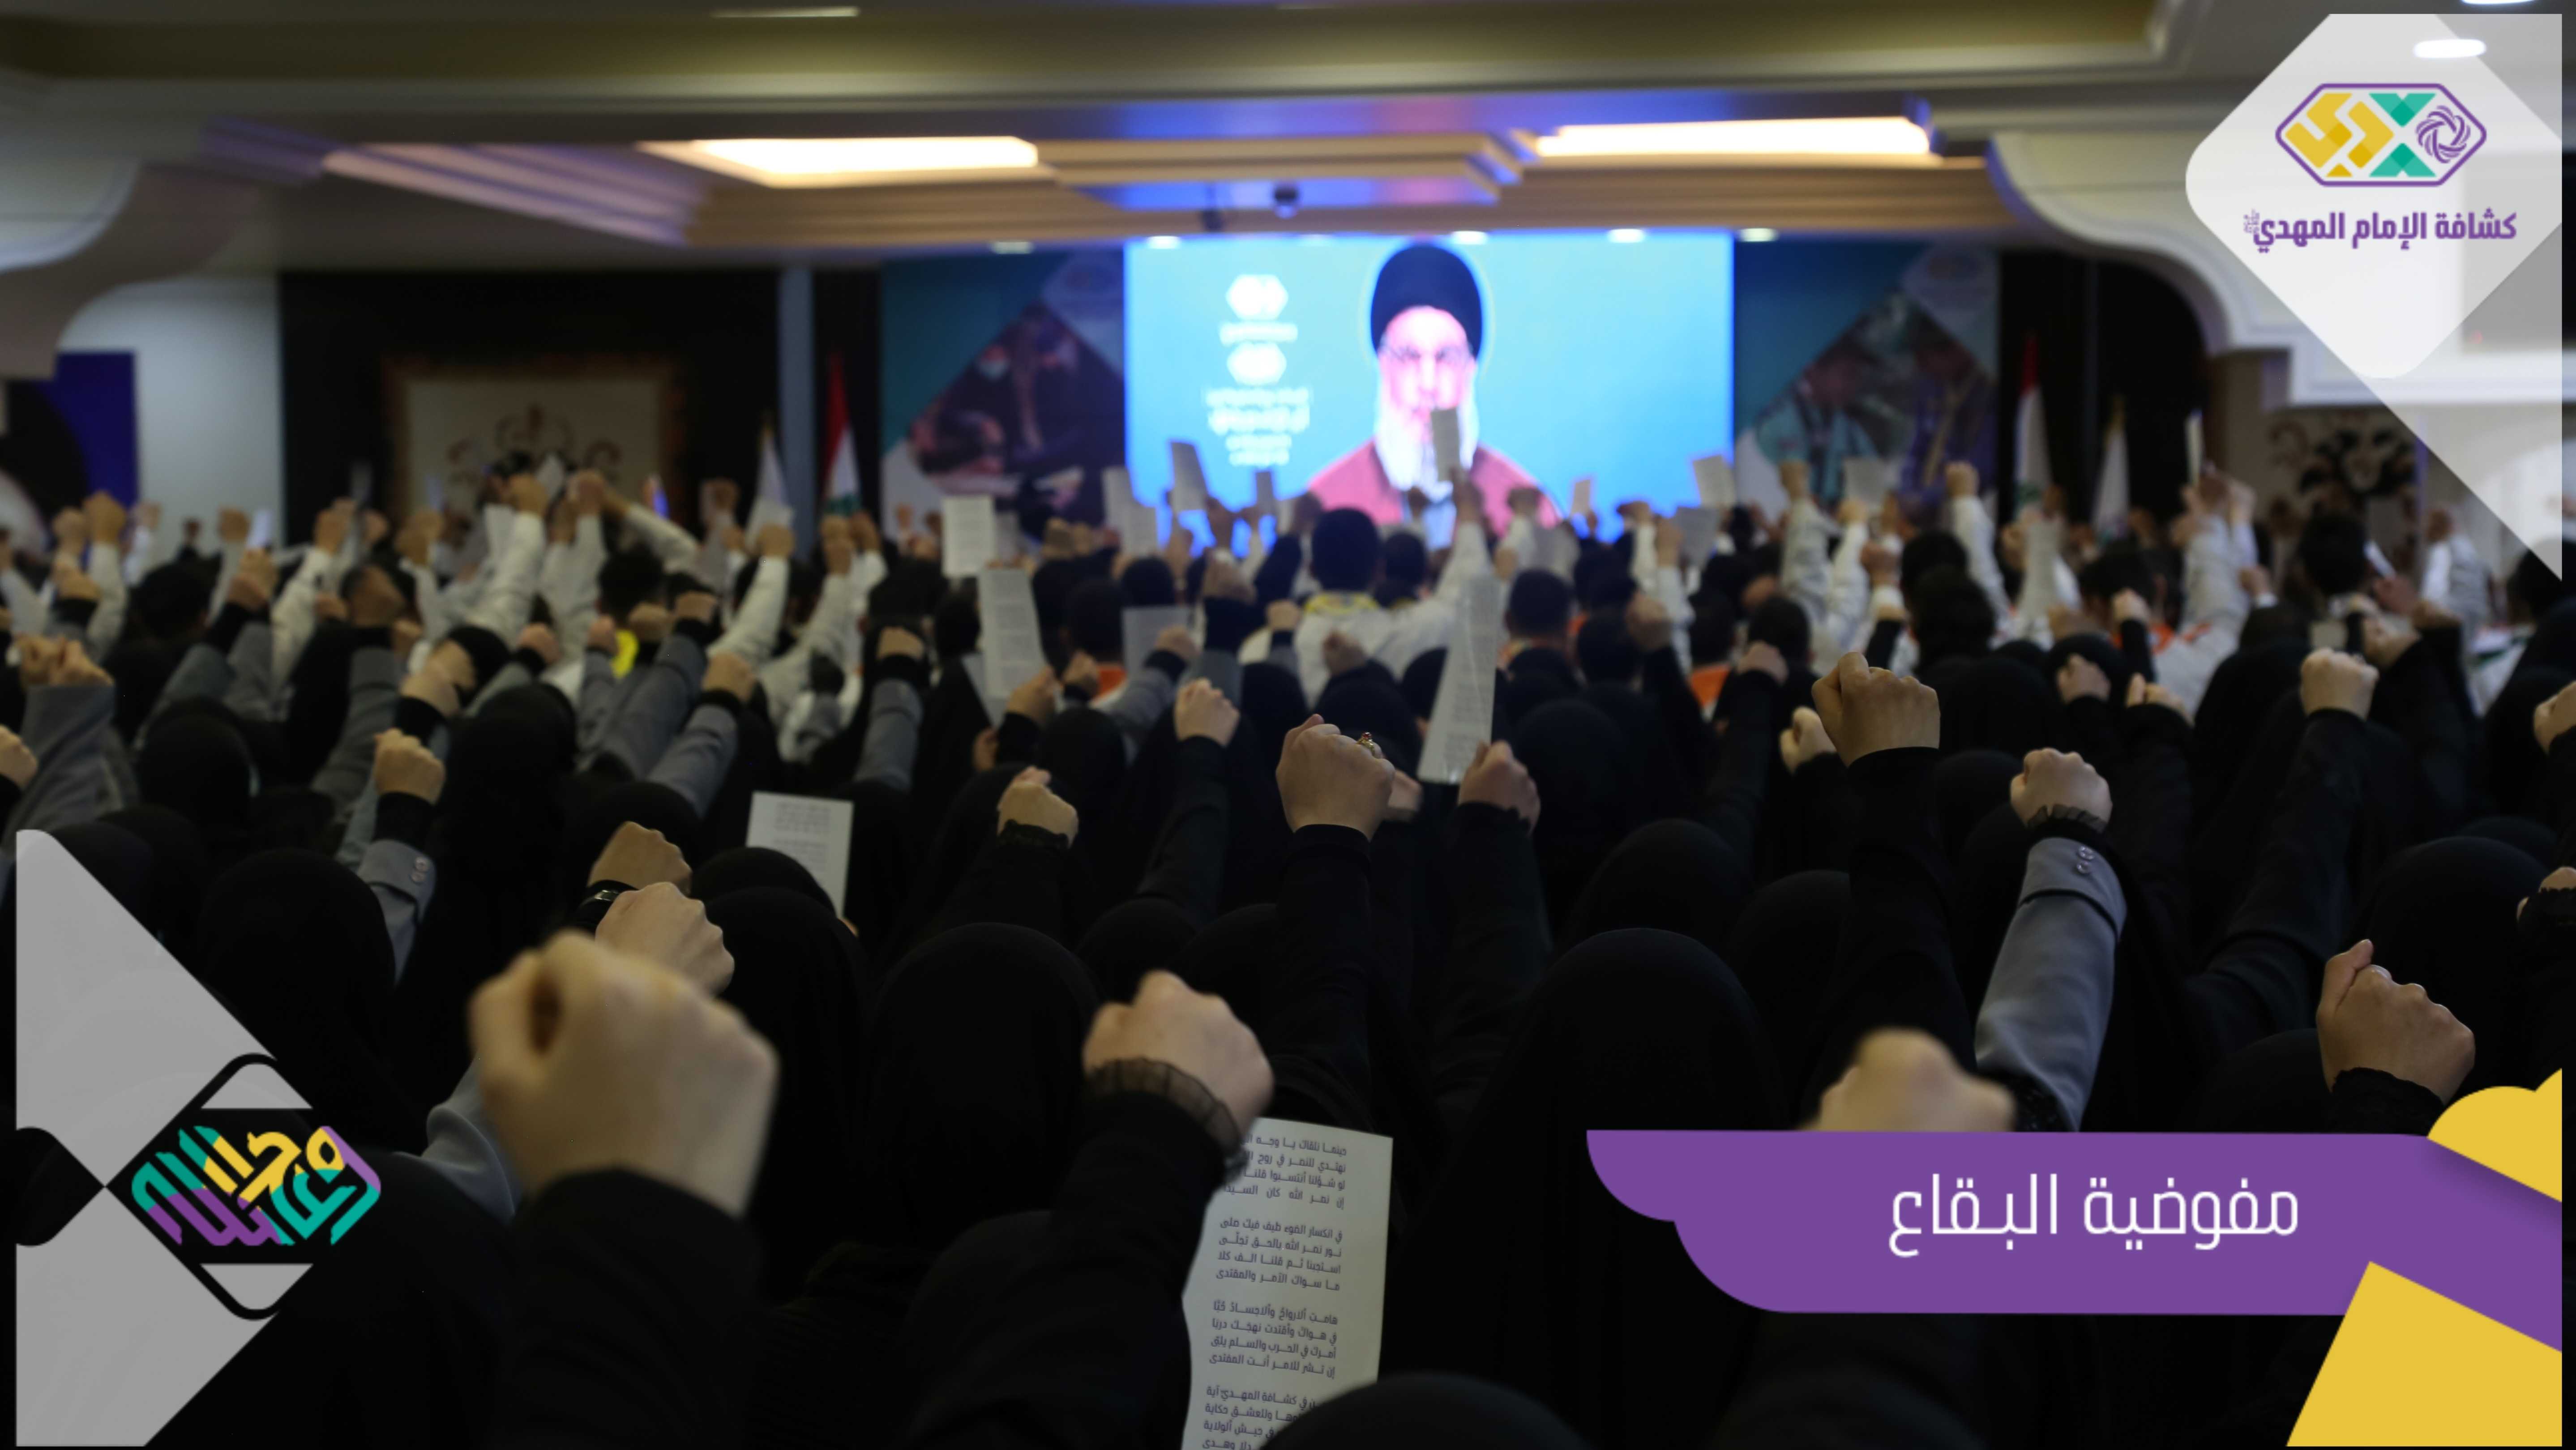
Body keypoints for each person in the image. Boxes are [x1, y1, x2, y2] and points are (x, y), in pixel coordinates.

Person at [1302, 242, 1553, 541]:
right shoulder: (1329, 497)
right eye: (1409, 356)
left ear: (1471, 367)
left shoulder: (1524, 504)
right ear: (1382, 363)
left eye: (1447, 358)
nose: (1428, 383)